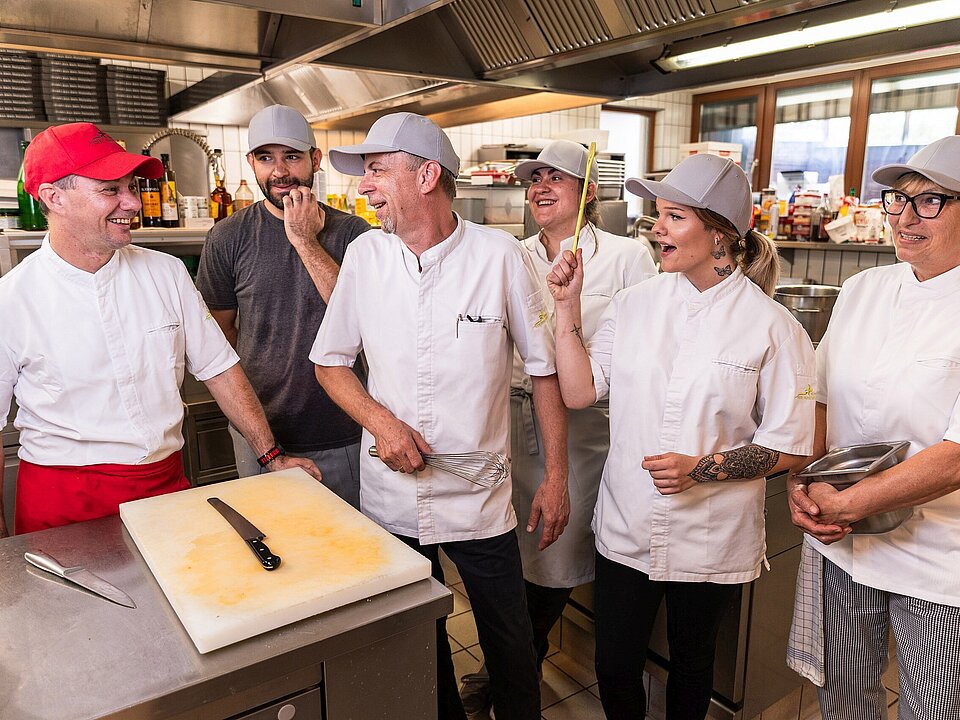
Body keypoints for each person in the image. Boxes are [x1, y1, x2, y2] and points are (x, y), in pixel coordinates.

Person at [309, 112, 570, 720]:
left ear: (426, 175)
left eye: (376, 171)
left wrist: (556, 478)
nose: (363, 187)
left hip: (478, 503)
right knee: (419, 647)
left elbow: (545, 371)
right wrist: (382, 423)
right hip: (391, 499)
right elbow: (330, 364)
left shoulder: (499, 256)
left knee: (511, 648)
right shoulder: (366, 258)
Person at [547, 153, 816, 720]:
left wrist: (703, 469)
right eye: (657, 215)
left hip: (711, 534)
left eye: (673, 217)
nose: (656, 228)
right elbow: (577, 392)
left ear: (719, 232)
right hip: (627, 521)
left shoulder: (772, 327)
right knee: (615, 665)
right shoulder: (633, 304)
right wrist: (566, 308)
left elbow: (793, 445)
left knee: (693, 664)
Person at [0, 122, 320, 537]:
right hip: (63, 499)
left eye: (132, 186)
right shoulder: (12, 299)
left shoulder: (165, 273)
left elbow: (220, 369)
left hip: (165, 488)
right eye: (110, 190)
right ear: (53, 197)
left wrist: (271, 456)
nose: (132, 202)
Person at [458, 139, 656, 715]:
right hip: (509, 414)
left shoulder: (624, 257)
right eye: (534, 178)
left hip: (585, 422)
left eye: (556, 177)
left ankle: (518, 663)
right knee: (512, 545)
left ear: (588, 191)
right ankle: (515, 666)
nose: (540, 187)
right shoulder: (510, 255)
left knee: (556, 551)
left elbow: (641, 344)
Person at [788, 135, 960, 719]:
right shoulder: (863, 289)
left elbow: (957, 455)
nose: (906, 217)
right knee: (844, 701)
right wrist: (805, 486)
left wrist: (842, 503)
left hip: (940, 561)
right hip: (846, 546)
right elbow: (818, 398)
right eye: (898, 199)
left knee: (933, 710)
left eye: (931, 201)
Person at [197, 105, 369, 508]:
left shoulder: (356, 234)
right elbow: (219, 337)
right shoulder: (227, 238)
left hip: (347, 432)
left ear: (314, 159)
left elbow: (364, 324)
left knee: (356, 556)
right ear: (251, 163)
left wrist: (305, 241)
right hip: (262, 438)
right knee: (275, 554)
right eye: (265, 158)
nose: (279, 171)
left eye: (291, 156)